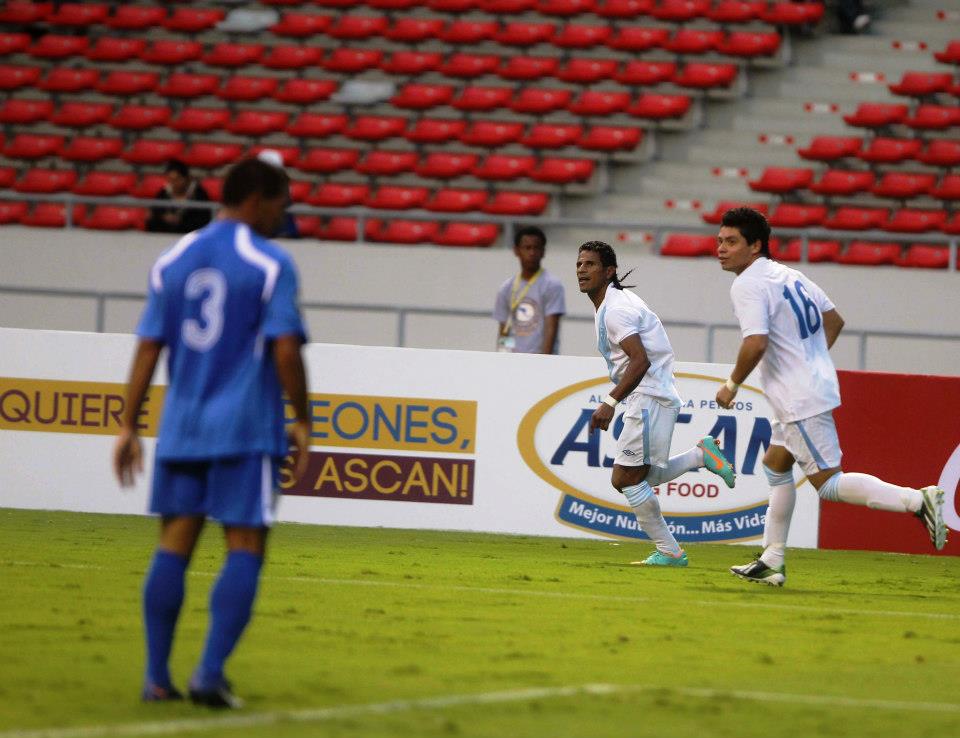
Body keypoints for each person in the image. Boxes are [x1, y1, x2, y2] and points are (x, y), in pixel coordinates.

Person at [113, 157, 312, 708]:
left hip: (182, 425)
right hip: (244, 428)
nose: (283, 213)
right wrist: (303, 417)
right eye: (281, 202)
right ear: (256, 198)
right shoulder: (270, 262)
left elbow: (149, 345)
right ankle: (208, 674)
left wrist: (128, 424)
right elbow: (286, 347)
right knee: (246, 543)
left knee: (174, 544)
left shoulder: (173, 257)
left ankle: (156, 677)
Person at [715, 207, 947, 587]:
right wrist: (812, 360)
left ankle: (916, 500)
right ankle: (772, 560)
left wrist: (732, 384)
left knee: (828, 484)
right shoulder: (791, 274)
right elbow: (834, 320)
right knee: (775, 465)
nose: (721, 249)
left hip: (797, 396)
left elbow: (755, 342)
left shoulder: (748, 284)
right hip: (805, 387)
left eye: (731, 242)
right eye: (720, 241)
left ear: (755, 245)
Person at [577, 241, 737, 567]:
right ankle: (700, 456)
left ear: (609, 272)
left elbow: (640, 361)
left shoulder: (617, 309)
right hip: (651, 395)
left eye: (590, 264)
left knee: (625, 479)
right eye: (579, 264)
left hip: (648, 395)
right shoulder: (612, 303)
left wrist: (609, 402)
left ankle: (671, 552)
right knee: (639, 478)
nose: (581, 270)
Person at [494, 226, 565, 354]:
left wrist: (543, 362)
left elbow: (551, 328)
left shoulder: (552, 285)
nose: (532, 253)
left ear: (543, 252)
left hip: (540, 360)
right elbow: (505, 328)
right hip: (514, 360)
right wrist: (503, 358)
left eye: (536, 248)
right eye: (527, 248)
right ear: (516, 251)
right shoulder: (506, 288)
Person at [145, 160, 213, 234]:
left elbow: (203, 220)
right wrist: (163, 217)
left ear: (187, 178)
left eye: (177, 179)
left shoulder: (199, 194)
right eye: (170, 180)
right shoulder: (163, 192)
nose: (174, 184)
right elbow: (155, 213)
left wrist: (181, 221)